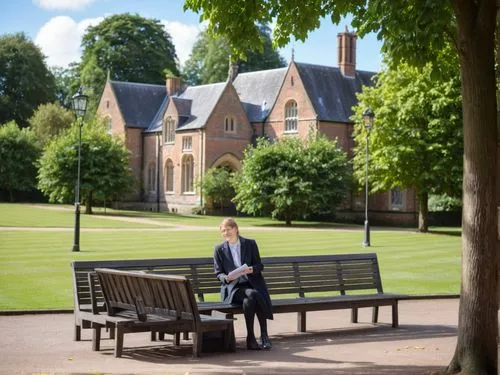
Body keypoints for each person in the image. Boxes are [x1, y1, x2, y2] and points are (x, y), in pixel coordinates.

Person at [213, 218, 273, 350]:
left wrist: (251, 269)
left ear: (235, 229)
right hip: (233, 288)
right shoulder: (219, 249)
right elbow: (218, 273)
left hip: (251, 283)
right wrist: (226, 278)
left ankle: (251, 338)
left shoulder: (250, 244)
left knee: (250, 299)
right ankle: (264, 336)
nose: (226, 233)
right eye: (223, 231)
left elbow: (259, 265)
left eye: (228, 229)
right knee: (256, 295)